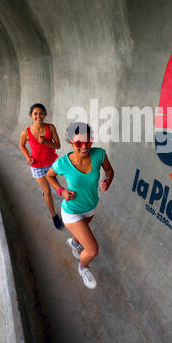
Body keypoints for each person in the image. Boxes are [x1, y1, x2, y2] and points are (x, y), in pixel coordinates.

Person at [46, 122, 114, 289]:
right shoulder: (63, 163)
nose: (84, 146)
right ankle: (83, 267)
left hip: (91, 207)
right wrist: (61, 191)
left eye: (88, 141)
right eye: (78, 143)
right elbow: (49, 176)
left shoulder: (99, 155)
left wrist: (108, 181)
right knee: (92, 250)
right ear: (71, 142)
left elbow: (109, 171)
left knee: (81, 234)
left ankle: (75, 244)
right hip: (72, 211)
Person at [19, 103, 63, 229]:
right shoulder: (25, 132)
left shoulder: (50, 127)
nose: (38, 116)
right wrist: (28, 158)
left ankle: (48, 195)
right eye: (35, 114)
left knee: (56, 188)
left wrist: (45, 141)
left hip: (51, 164)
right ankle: (54, 216)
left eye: (41, 113)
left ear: (45, 115)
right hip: (37, 166)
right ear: (31, 115)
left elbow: (58, 146)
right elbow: (21, 146)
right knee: (48, 191)